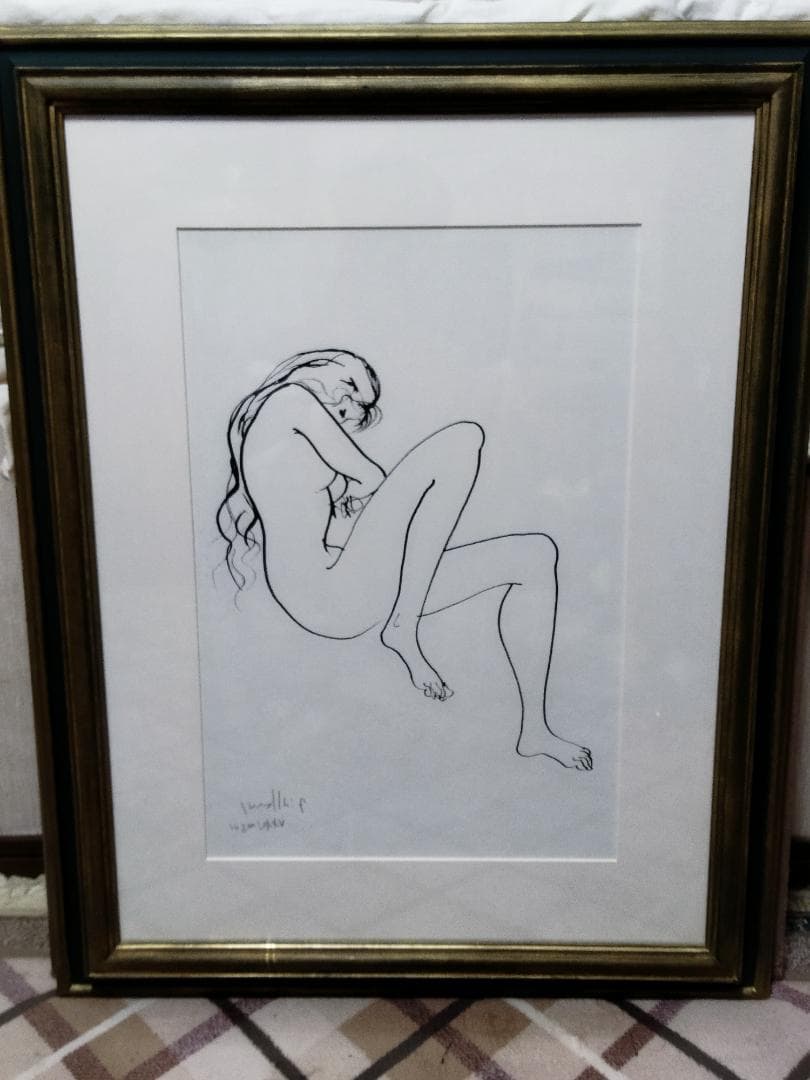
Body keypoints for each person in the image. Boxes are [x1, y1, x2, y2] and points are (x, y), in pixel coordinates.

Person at [217, 348, 591, 769]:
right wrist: (367, 497)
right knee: (464, 438)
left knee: (534, 555)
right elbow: (371, 476)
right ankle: (403, 626)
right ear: (317, 363)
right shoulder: (289, 399)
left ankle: (535, 731)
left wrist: (367, 509)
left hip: (339, 589)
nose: (350, 401)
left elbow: (342, 528)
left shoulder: (287, 436)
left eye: (358, 403)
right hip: (327, 591)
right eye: (351, 384)